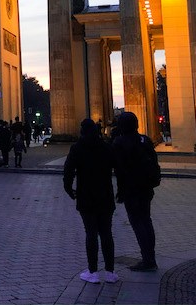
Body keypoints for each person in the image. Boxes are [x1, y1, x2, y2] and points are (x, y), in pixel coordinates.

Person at [63, 118, 118, 284]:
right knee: (106, 233)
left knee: (91, 234)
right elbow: (118, 168)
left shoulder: (77, 148)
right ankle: (110, 272)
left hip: (86, 196)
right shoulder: (106, 147)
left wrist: (68, 188)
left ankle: (92, 272)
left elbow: (68, 170)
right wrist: (121, 190)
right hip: (105, 196)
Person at [112, 111, 160, 272]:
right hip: (146, 187)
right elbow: (154, 161)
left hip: (131, 189)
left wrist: (120, 190)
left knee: (137, 222)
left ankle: (147, 260)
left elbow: (118, 168)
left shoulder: (119, 142)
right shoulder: (145, 140)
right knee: (146, 220)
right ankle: (150, 257)